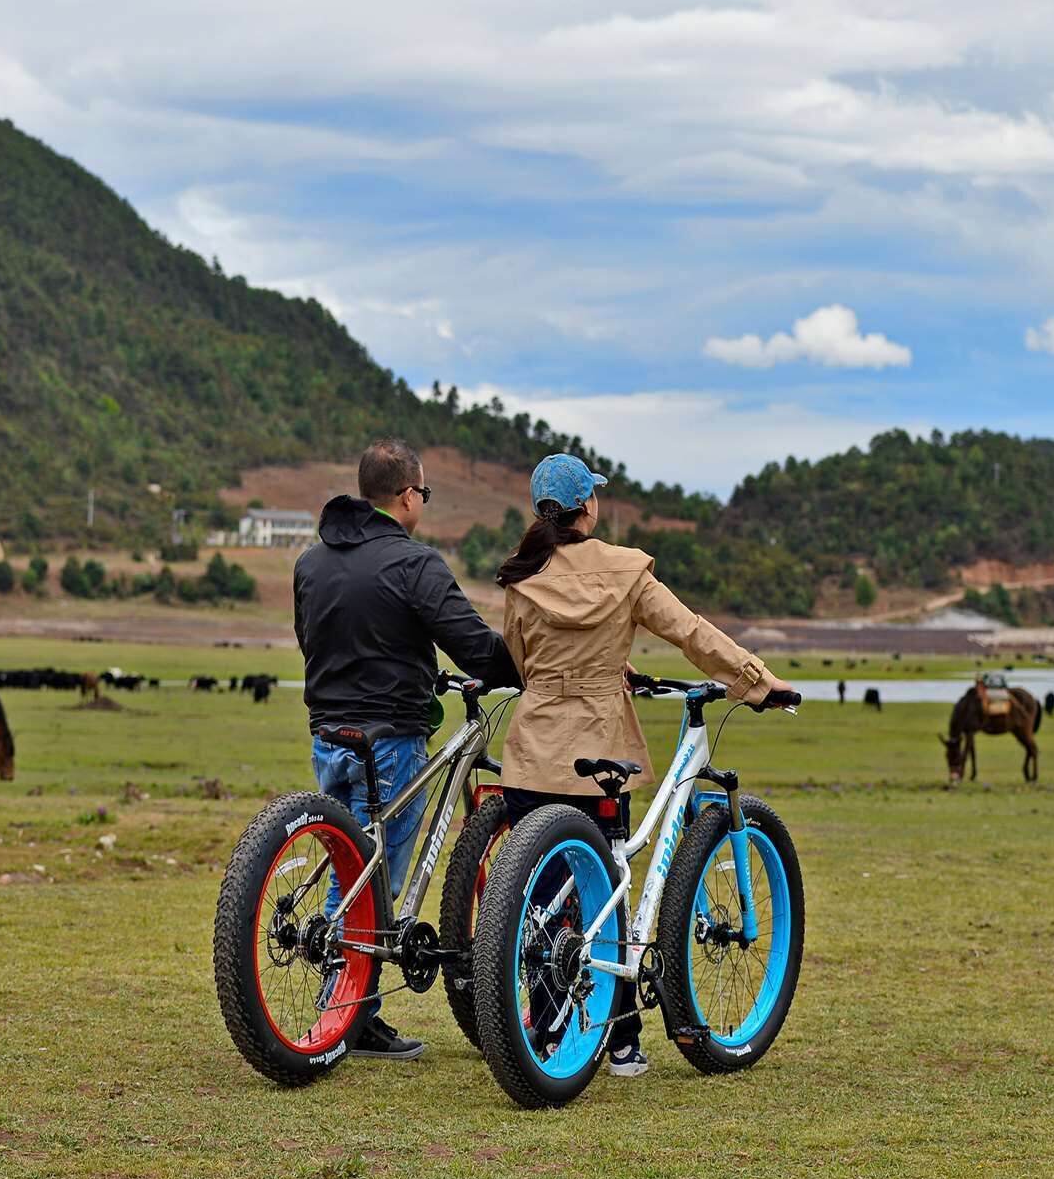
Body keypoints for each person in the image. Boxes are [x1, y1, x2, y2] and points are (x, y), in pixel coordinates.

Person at [494, 453, 794, 1077]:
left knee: (542, 895)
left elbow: (525, 664)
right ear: (589, 506)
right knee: (612, 885)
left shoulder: (522, 578)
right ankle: (622, 1040)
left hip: (533, 752)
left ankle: (543, 1026)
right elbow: (692, 633)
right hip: (599, 749)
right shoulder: (626, 570)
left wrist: (586, 667)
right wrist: (757, 682)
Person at [294, 437, 520, 1060]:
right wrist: (522, 664)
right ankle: (348, 1015)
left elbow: (311, 639)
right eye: (425, 492)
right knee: (375, 877)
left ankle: (347, 1008)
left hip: (328, 733)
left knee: (350, 862)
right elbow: (474, 647)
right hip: (390, 736)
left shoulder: (311, 562)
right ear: (407, 495)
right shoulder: (412, 564)